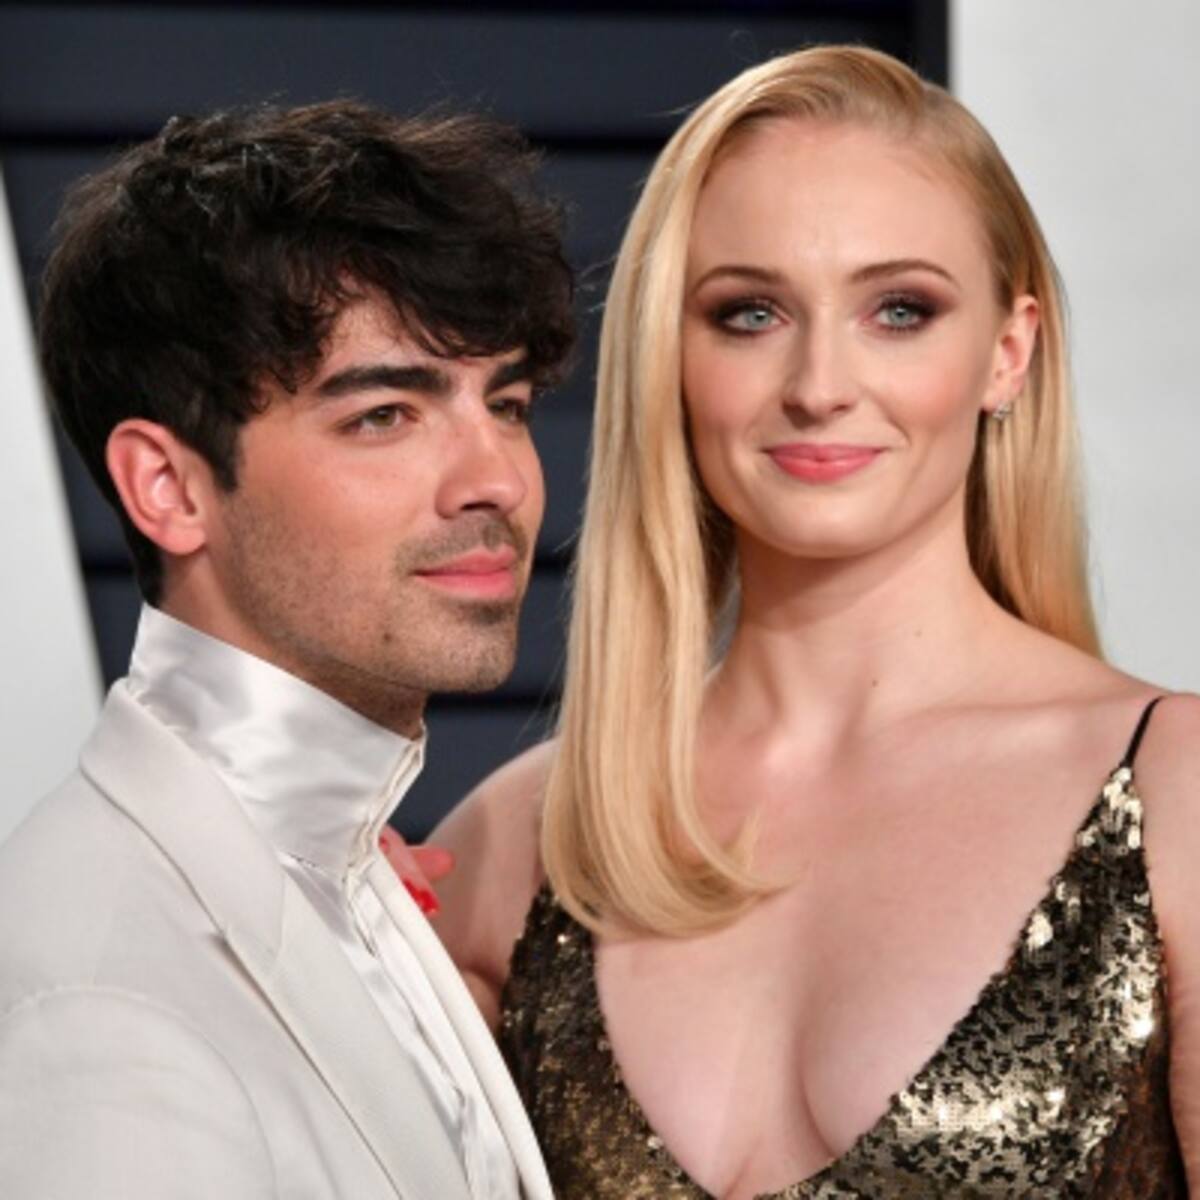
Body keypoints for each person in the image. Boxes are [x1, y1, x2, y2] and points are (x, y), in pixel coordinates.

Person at [417, 45, 1200, 1197]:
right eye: (749, 313)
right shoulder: (522, 844)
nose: (820, 384)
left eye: (900, 311)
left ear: (1007, 353)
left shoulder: (1174, 794)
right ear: (668, 355)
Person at [0, 100, 572, 1199]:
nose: (497, 478)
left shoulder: (343, 875)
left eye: (505, 403)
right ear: (168, 488)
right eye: (384, 416)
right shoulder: (103, 1005)